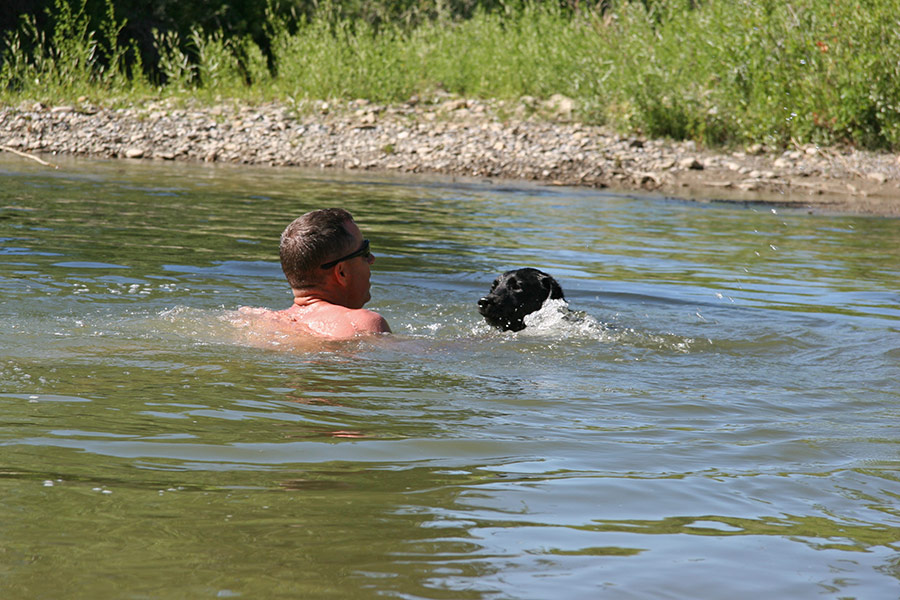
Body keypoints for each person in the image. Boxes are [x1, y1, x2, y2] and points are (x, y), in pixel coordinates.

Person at [240, 208, 391, 339]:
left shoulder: (261, 322)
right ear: (342, 272)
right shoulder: (362, 324)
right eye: (364, 252)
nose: (372, 259)